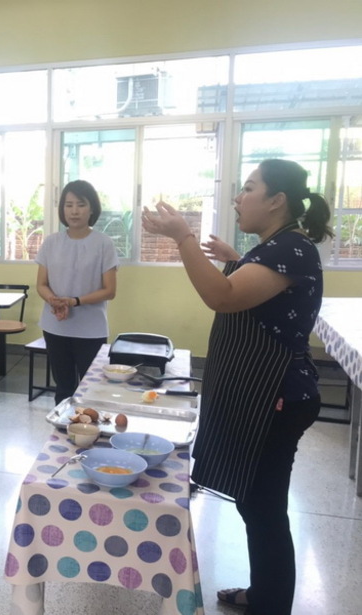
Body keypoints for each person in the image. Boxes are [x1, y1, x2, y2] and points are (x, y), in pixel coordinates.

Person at [141, 159, 333, 615]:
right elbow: (255, 293)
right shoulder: (277, 246)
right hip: (263, 393)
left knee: (265, 510)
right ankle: (263, 594)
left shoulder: (292, 248)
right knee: (255, 504)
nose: (238, 197)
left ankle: (271, 605)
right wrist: (235, 260)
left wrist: (183, 238)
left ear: (277, 200)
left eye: (249, 188)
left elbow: (223, 296)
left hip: (276, 396)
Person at [35, 179, 119, 404]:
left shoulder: (104, 244)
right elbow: (41, 284)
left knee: (92, 388)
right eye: (69, 204)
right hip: (55, 326)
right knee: (63, 387)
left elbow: (109, 290)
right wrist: (54, 300)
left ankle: (89, 424)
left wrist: (74, 301)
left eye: (81, 205)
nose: (74, 211)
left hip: (91, 329)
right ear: (62, 209)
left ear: (92, 209)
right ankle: (64, 425)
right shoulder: (51, 242)